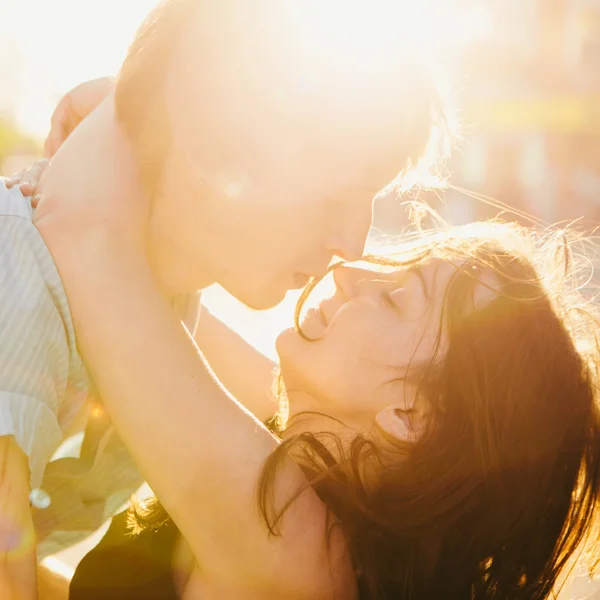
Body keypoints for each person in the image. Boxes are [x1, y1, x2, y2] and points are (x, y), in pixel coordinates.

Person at [0, 0, 444, 595]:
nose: (352, 247)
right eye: (338, 195)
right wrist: (134, 108)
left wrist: (131, 110)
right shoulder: (23, 287)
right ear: (222, 150)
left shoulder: (155, 305)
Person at [34, 184, 600, 598]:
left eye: (396, 297)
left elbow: (83, 235)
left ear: (409, 415)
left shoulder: (295, 545)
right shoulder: (319, 512)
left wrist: (127, 109)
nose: (353, 273)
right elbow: (157, 301)